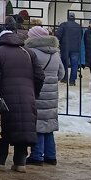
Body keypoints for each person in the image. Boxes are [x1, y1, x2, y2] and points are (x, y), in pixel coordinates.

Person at [0, 26, 44, 172]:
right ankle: (20, 163)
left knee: (3, 128)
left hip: (5, 96)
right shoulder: (29, 53)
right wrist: (34, 92)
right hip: (28, 96)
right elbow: (40, 76)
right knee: (23, 128)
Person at [25, 26, 64, 165]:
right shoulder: (55, 52)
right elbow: (61, 74)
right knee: (49, 125)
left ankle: (36, 156)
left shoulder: (31, 52)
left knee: (38, 124)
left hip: (37, 92)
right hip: (52, 94)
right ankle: (51, 156)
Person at [55, 12, 84, 84]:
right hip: (75, 48)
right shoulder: (78, 26)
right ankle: (72, 80)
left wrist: (59, 43)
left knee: (64, 63)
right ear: (74, 18)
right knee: (74, 64)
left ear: (67, 17)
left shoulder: (63, 25)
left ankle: (64, 78)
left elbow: (58, 35)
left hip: (65, 47)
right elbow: (81, 36)